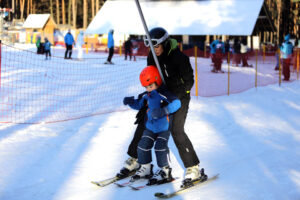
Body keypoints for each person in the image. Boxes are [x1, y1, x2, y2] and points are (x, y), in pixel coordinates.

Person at [117, 27, 202, 185]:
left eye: (156, 46)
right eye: (151, 46)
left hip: (179, 96)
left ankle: (193, 167)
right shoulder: (152, 56)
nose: (153, 50)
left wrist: (175, 94)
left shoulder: (179, 58)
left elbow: (189, 81)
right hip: (160, 92)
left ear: (164, 43)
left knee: (176, 129)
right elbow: (153, 76)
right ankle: (136, 159)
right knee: (144, 118)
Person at [123, 66, 181, 185]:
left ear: (157, 81)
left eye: (150, 86)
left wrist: (164, 111)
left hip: (163, 128)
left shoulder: (163, 93)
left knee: (160, 148)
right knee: (142, 146)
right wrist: (130, 102)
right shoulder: (146, 95)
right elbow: (139, 105)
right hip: (150, 127)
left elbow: (177, 103)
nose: (148, 89)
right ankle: (146, 168)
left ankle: (165, 170)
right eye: (146, 87)